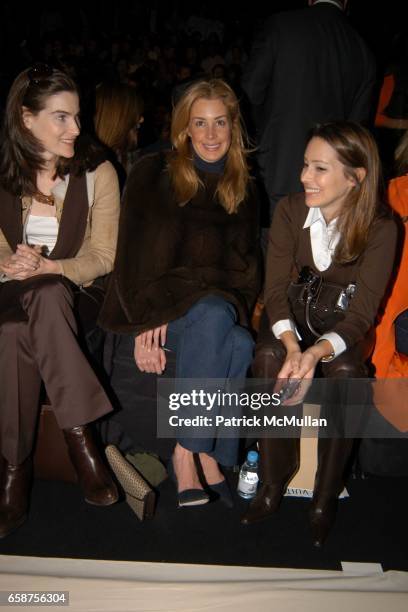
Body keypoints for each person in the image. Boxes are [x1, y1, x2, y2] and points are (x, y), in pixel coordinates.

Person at [99, 78, 261, 508]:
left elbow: (246, 274)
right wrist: (147, 320)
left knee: (221, 320)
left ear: (233, 127)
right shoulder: (154, 172)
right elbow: (130, 258)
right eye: (200, 123)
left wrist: (208, 302)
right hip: (157, 307)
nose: (210, 135)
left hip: (215, 308)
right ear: (185, 129)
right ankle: (208, 452)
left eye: (220, 123)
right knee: (236, 340)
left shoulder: (242, 187)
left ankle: (187, 449)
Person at [240, 121, 397, 547]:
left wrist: (314, 356)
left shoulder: (383, 227)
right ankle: (274, 483)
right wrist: (293, 347)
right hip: (290, 316)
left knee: (347, 378)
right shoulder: (291, 209)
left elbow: (363, 314)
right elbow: (273, 291)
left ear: (356, 177)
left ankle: (324, 498)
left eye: (320, 169)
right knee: (270, 359)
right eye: (306, 165)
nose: (305, 177)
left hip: (342, 329)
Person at [0, 64, 121, 539]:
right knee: (14, 322)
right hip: (9, 292)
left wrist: (52, 268)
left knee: (23, 324)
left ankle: (14, 472)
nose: (75, 129)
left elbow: (104, 257)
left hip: (75, 293)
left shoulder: (98, 172)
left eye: (76, 117)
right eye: (61, 118)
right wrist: (10, 266)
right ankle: (82, 441)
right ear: (26, 120)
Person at [242, 0, 376, 231]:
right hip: (332, 180)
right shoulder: (363, 50)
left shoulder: (281, 26)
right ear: (345, 3)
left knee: (274, 247)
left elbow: (249, 93)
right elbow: (356, 133)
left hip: (275, 166)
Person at [94, 82, 144, 189]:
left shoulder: (127, 158)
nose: (141, 119)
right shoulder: (91, 168)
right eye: (134, 114)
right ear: (118, 118)